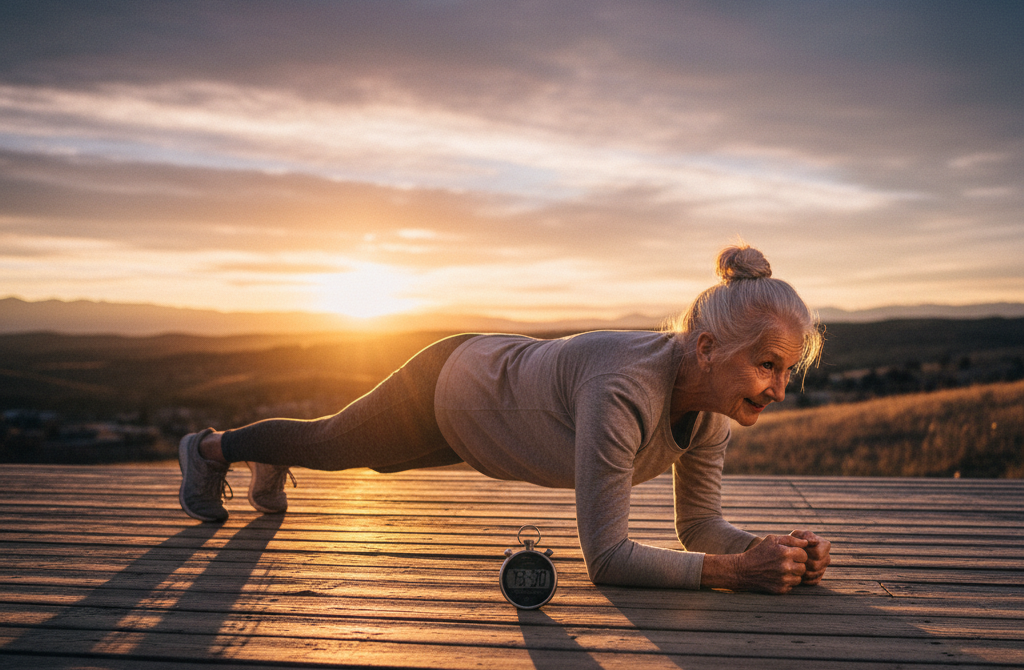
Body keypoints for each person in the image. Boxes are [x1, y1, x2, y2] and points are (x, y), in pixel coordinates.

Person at [178, 244, 831, 594]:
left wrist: (772, 553)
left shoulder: (714, 409)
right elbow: (607, 559)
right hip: (450, 388)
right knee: (330, 444)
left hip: (491, 424)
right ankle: (209, 449)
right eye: (767, 366)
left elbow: (698, 528)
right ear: (708, 348)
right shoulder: (624, 389)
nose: (779, 390)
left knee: (357, 456)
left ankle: (267, 453)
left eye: (788, 371)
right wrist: (735, 574)